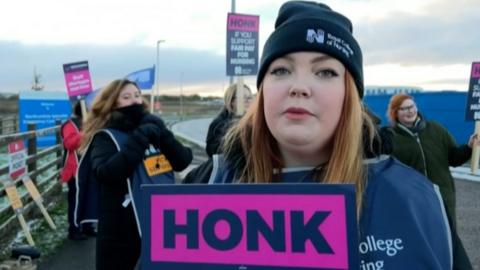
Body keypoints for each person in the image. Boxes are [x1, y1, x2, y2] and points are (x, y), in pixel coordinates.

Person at [185, 1, 472, 268]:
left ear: (350, 96)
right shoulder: (205, 187)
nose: (299, 86)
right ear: (263, 92)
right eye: (281, 70)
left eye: (325, 72)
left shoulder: (417, 202)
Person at [79, 79, 193, 270]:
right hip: (121, 228)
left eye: (137, 95)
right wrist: (139, 139)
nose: (135, 101)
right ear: (114, 103)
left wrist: (163, 133)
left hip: (160, 219)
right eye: (127, 97)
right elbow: (105, 173)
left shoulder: (153, 128)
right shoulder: (106, 136)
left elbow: (182, 161)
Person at [387, 93, 477, 224]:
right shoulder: (391, 138)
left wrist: (469, 147)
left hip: (442, 198)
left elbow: (454, 158)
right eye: (404, 108)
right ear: (395, 113)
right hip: (412, 202)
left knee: (447, 239)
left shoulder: (436, 129)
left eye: (412, 106)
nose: (410, 111)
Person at [60, 101, 94, 240]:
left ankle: (87, 225)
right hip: (75, 168)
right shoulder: (70, 124)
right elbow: (69, 144)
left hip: (88, 166)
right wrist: (84, 133)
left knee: (89, 197)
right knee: (76, 199)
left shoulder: (89, 122)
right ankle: (74, 229)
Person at [205, 84, 253, 157]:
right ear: (231, 101)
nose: (247, 100)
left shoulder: (254, 121)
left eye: (249, 97)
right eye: (242, 97)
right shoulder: (218, 124)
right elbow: (213, 153)